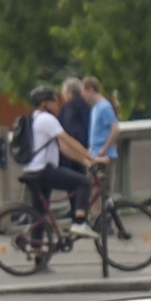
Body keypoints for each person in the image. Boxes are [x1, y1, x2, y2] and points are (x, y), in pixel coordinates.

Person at [20, 84, 97, 232]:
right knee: (83, 183)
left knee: (40, 213)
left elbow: (63, 148)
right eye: (54, 101)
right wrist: (92, 158)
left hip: (31, 171)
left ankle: (37, 251)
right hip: (44, 170)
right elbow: (69, 141)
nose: (58, 104)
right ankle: (79, 222)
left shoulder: (34, 118)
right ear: (45, 103)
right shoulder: (47, 119)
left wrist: (85, 161)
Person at [83, 75, 118, 207]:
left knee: (104, 191)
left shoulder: (104, 107)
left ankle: (106, 223)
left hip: (104, 155)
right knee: (91, 190)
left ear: (91, 90)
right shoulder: (95, 108)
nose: (83, 95)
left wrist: (104, 148)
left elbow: (115, 129)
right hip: (95, 155)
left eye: (84, 91)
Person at [58, 77, 92, 149]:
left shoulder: (68, 107)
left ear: (69, 92)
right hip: (85, 144)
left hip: (73, 144)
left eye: (64, 92)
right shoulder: (85, 105)